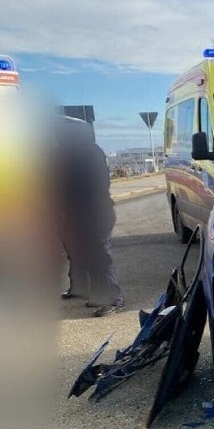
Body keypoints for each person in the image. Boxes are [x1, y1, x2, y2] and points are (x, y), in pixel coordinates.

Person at [54, 118, 124, 317]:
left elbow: (91, 184)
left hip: (94, 212)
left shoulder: (89, 153)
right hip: (78, 212)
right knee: (86, 254)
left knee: (101, 255)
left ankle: (113, 299)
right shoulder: (66, 153)